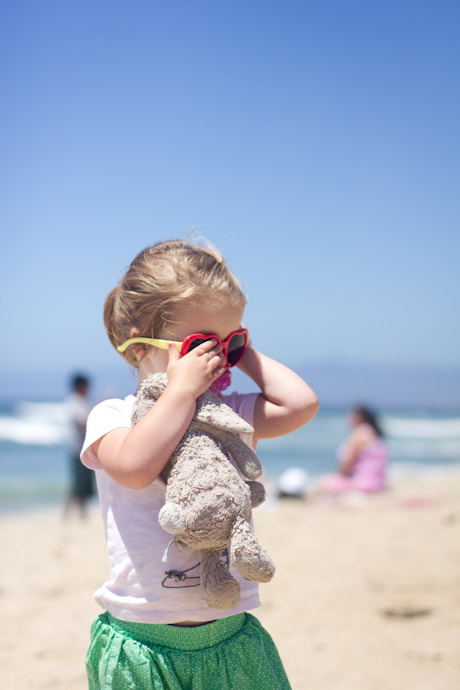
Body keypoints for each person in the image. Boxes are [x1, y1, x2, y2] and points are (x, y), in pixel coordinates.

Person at [81, 238, 319, 690]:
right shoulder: (112, 417)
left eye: (225, 347)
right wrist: (179, 393)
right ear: (138, 348)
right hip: (144, 641)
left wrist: (242, 350)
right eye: (201, 345)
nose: (215, 361)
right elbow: (134, 467)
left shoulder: (229, 416)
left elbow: (301, 405)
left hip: (231, 634)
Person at [315, 405, 389, 497]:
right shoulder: (371, 432)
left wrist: (338, 476)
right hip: (378, 483)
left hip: (365, 483)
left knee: (323, 484)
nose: (348, 418)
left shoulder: (360, 434)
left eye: (350, 415)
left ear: (358, 417)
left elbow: (348, 464)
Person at [64, 373, 94, 518]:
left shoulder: (84, 401)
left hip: (85, 447)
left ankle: (82, 514)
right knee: (78, 484)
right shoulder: (73, 402)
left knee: (85, 484)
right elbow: (82, 423)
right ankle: (66, 512)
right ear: (79, 386)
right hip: (77, 448)